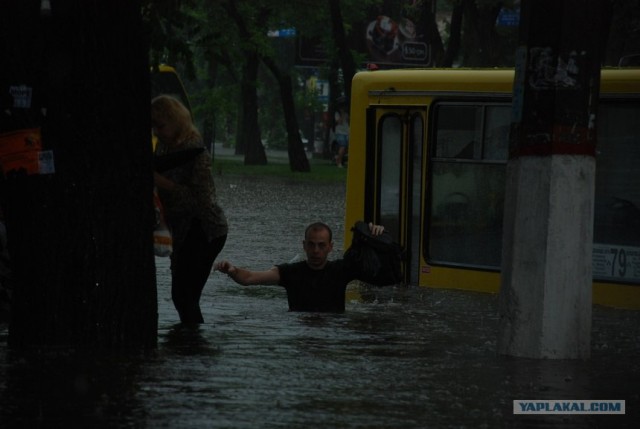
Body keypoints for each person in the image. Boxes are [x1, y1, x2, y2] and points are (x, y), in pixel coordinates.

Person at [152, 95, 228, 324]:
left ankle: (192, 348)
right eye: (153, 126)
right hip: (181, 229)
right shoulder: (164, 147)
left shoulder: (194, 149)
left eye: (160, 125)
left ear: (175, 120)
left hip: (205, 230)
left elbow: (200, 200)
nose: (156, 131)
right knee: (182, 295)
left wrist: (161, 182)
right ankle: (189, 345)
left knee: (185, 296)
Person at [214, 222, 384, 313]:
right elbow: (250, 278)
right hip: (298, 326)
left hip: (333, 327)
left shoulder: (341, 270)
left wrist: (376, 234)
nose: (316, 251)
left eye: (321, 245)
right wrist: (232, 270)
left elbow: (379, 270)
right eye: (311, 244)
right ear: (304, 245)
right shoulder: (290, 272)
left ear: (330, 247)